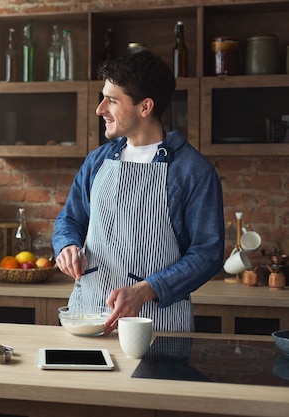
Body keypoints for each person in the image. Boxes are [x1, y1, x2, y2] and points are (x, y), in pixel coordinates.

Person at [52, 51, 224, 335]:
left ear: (145, 107)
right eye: (102, 97)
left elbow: (207, 253)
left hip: (158, 327)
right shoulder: (97, 161)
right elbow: (69, 220)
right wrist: (67, 246)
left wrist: (146, 290)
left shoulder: (193, 171)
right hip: (88, 317)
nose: (100, 109)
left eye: (112, 100)